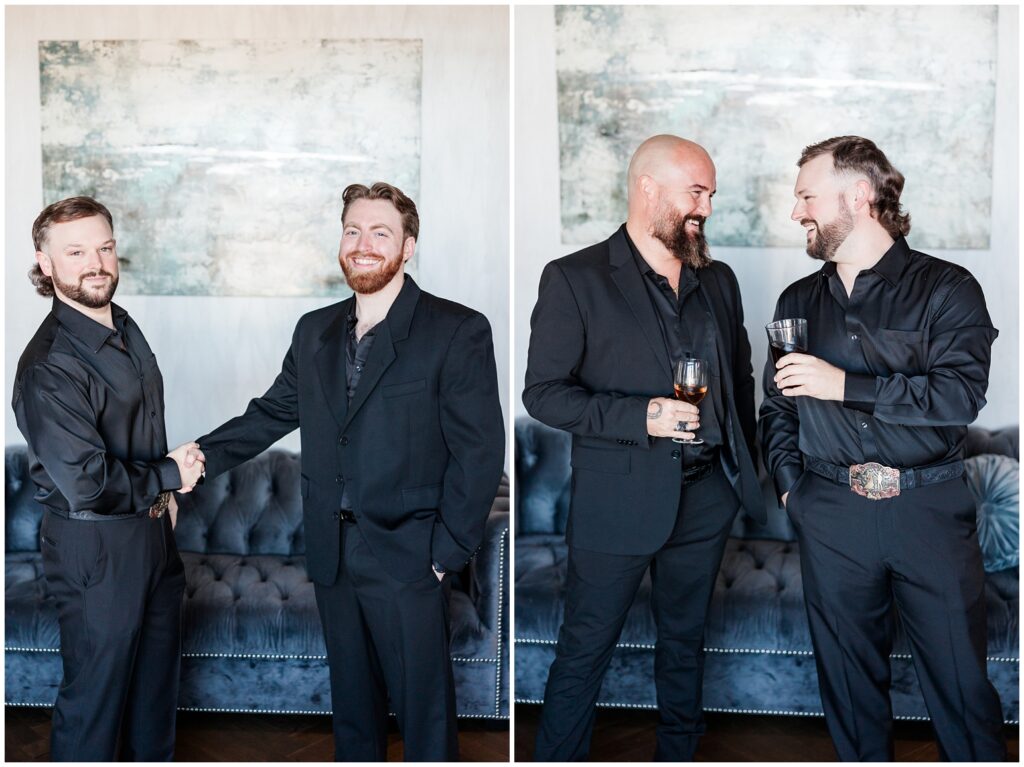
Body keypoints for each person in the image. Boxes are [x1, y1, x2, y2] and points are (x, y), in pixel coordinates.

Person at [184, 182, 504, 761]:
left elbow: (480, 451)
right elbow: (272, 413)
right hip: (332, 553)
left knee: (425, 717)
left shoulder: (457, 329)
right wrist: (195, 457)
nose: (363, 244)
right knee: (353, 713)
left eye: (381, 232)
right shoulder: (315, 331)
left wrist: (444, 553)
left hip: (409, 556)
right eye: (353, 230)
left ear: (408, 247)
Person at [759, 136, 1006, 761]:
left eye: (807, 196)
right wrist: (794, 488)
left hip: (929, 511)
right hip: (830, 513)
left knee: (960, 687)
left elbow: (958, 397)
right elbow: (777, 409)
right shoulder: (796, 303)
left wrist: (843, 386)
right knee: (847, 689)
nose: (796, 213)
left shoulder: (948, 289)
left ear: (860, 195)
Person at [523, 135, 763, 761]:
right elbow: (543, 395)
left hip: (708, 496)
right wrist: (643, 415)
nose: (705, 206)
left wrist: (750, 467)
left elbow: (739, 381)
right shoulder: (572, 279)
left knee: (685, 647)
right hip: (617, 500)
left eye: (710, 193)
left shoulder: (721, 280)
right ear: (648, 188)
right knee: (584, 651)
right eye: (696, 191)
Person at [12, 196, 204, 761]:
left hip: (152, 539)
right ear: (46, 265)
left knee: (153, 701)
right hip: (94, 548)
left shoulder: (122, 322)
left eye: (104, 247)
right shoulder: (49, 365)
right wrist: (169, 473)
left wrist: (162, 495)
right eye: (75, 252)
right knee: (95, 706)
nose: (95, 262)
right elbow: (88, 482)